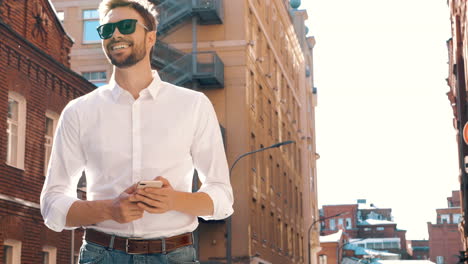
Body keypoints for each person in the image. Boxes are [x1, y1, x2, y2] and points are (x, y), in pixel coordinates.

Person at [40, 0, 234, 263]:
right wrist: (109, 209)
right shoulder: (79, 111)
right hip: (101, 255)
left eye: (126, 26)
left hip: (175, 255)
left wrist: (174, 200)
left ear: (151, 36)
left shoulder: (193, 105)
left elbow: (222, 197)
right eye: (107, 30)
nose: (116, 34)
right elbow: (52, 204)